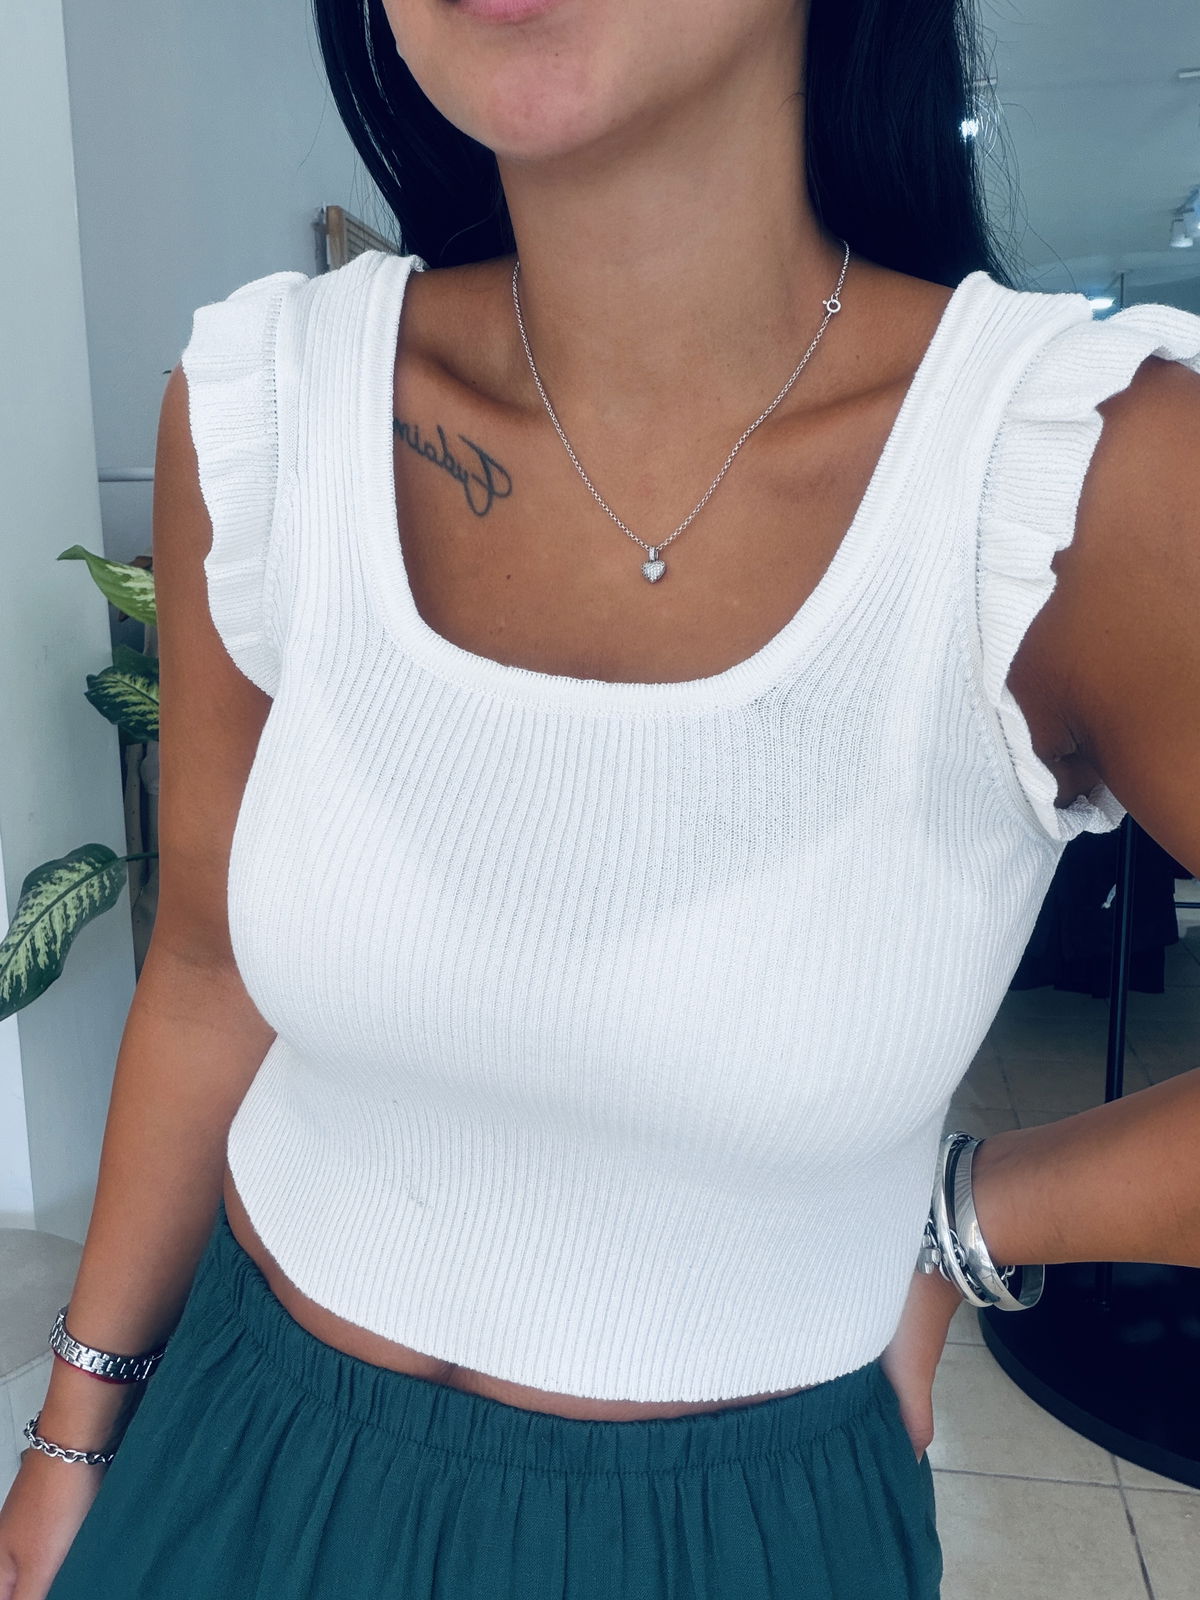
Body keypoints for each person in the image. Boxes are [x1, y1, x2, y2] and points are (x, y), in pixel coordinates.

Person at [3, 0, 1200, 1595]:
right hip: (234, 1456)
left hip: (720, 1539)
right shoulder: (266, 406)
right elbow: (210, 963)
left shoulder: (1083, 478)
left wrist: (966, 1224)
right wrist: (74, 1434)